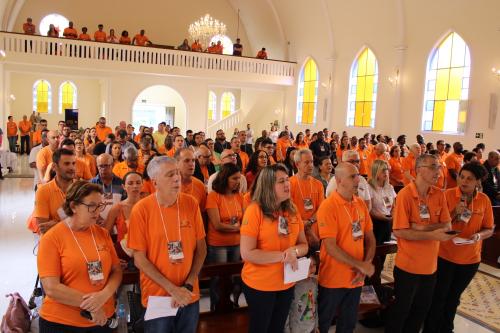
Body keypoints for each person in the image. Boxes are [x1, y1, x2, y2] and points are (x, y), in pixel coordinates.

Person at [127, 156, 207, 333]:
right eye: (170, 174)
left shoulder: (191, 203)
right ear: (155, 182)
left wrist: (187, 285)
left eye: (177, 172)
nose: (177, 178)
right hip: (158, 298)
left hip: (188, 294)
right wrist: (173, 289)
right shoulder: (141, 210)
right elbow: (139, 259)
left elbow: (201, 249)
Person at [37, 181, 122, 331]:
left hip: (102, 319)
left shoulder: (102, 234)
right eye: (91, 206)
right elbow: (51, 288)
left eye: (100, 206)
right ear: (73, 206)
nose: (97, 212)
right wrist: (93, 306)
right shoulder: (52, 238)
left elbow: (116, 270)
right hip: (62, 322)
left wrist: (104, 295)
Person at [386, 154, 455, 333]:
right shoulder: (405, 195)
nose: (438, 172)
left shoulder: (439, 194)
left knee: (420, 311)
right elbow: (400, 231)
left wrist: (421, 228)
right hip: (408, 267)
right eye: (433, 167)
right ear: (418, 170)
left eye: (439, 167)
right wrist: (432, 233)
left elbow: (447, 225)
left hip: (430, 267)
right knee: (400, 311)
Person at [423, 161, 494, 333]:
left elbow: (489, 228)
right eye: (462, 177)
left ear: (478, 182)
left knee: (454, 298)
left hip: (470, 258)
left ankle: (446, 328)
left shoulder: (483, 200)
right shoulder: (446, 195)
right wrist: (455, 212)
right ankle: (431, 329)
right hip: (445, 255)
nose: (464, 181)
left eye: (470, 179)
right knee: (438, 296)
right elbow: (436, 225)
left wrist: (479, 235)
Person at [240, 164, 308, 333]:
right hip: (260, 285)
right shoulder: (254, 211)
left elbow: (304, 245)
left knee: (277, 328)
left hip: (286, 283)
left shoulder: (292, 210)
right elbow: (247, 253)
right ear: (269, 186)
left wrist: (295, 252)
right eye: (281, 181)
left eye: (287, 180)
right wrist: (284, 256)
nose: (287, 184)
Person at [317, 162, 376, 333]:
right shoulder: (328, 206)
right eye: (353, 176)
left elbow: (370, 239)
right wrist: (360, 265)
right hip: (333, 279)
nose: (358, 179)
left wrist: (365, 264)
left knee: (348, 325)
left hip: (356, 279)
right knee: (323, 323)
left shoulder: (360, 204)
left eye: (358, 175)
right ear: (339, 180)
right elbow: (330, 246)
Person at [205, 163, 244, 309]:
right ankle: (217, 307)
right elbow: (217, 225)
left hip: (236, 243)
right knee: (218, 278)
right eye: (234, 178)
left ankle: (233, 304)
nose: (237, 182)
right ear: (225, 178)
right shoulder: (213, 196)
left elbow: (245, 220)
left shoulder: (239, 196)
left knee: (234, 276)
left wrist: (238, 228)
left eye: (239, 178)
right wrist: (238, 228)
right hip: (218, 244)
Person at [33, 148, 75, 234]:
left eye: (73, 163)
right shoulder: (43, 191)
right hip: (53, 241)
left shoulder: (81, 188)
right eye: (67, 164)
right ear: (55, 167)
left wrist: (56, 224)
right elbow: (43, 227)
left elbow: (86, 223)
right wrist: (74, 222)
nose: (71, 167)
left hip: (77, 240)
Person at [290, 149, 325, 251]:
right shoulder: (289, 183)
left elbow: (321, 208)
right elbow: (289, 210)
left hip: (315, 229)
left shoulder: (318, 184)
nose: (310, 165)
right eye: (306, 162)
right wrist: (302, 223)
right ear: (297, 165)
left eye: (312, 162)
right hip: (297, 230)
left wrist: (310, 221)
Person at [105, 171, 143, 247]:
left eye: (138, 183)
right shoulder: (117, 208)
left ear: (142, 185)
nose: (135, 186)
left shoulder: (149, 206)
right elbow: (105, 234)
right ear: (123, 186)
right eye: (130, 183)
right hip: (124, 254)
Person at [284, 253, 319, 333]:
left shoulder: (314, 283)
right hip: (296, 329)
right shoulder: (292, 285)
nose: (311, 268)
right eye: (308, 265)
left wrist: (316, 325)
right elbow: (286, 310)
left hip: (311, 327)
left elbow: (315, 304)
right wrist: (287, 330)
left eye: (314, 265)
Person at [368, 160, 396, 245]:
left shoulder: (389, 187)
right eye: (383, 170)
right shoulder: (369, 187)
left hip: (388, 221)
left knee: (388, 248)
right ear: (376, 171)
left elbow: (394, 206)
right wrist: (383, 217)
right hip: (376, 223)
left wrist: (391, 216)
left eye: (387, 169)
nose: (386, 172)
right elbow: (370, 209)